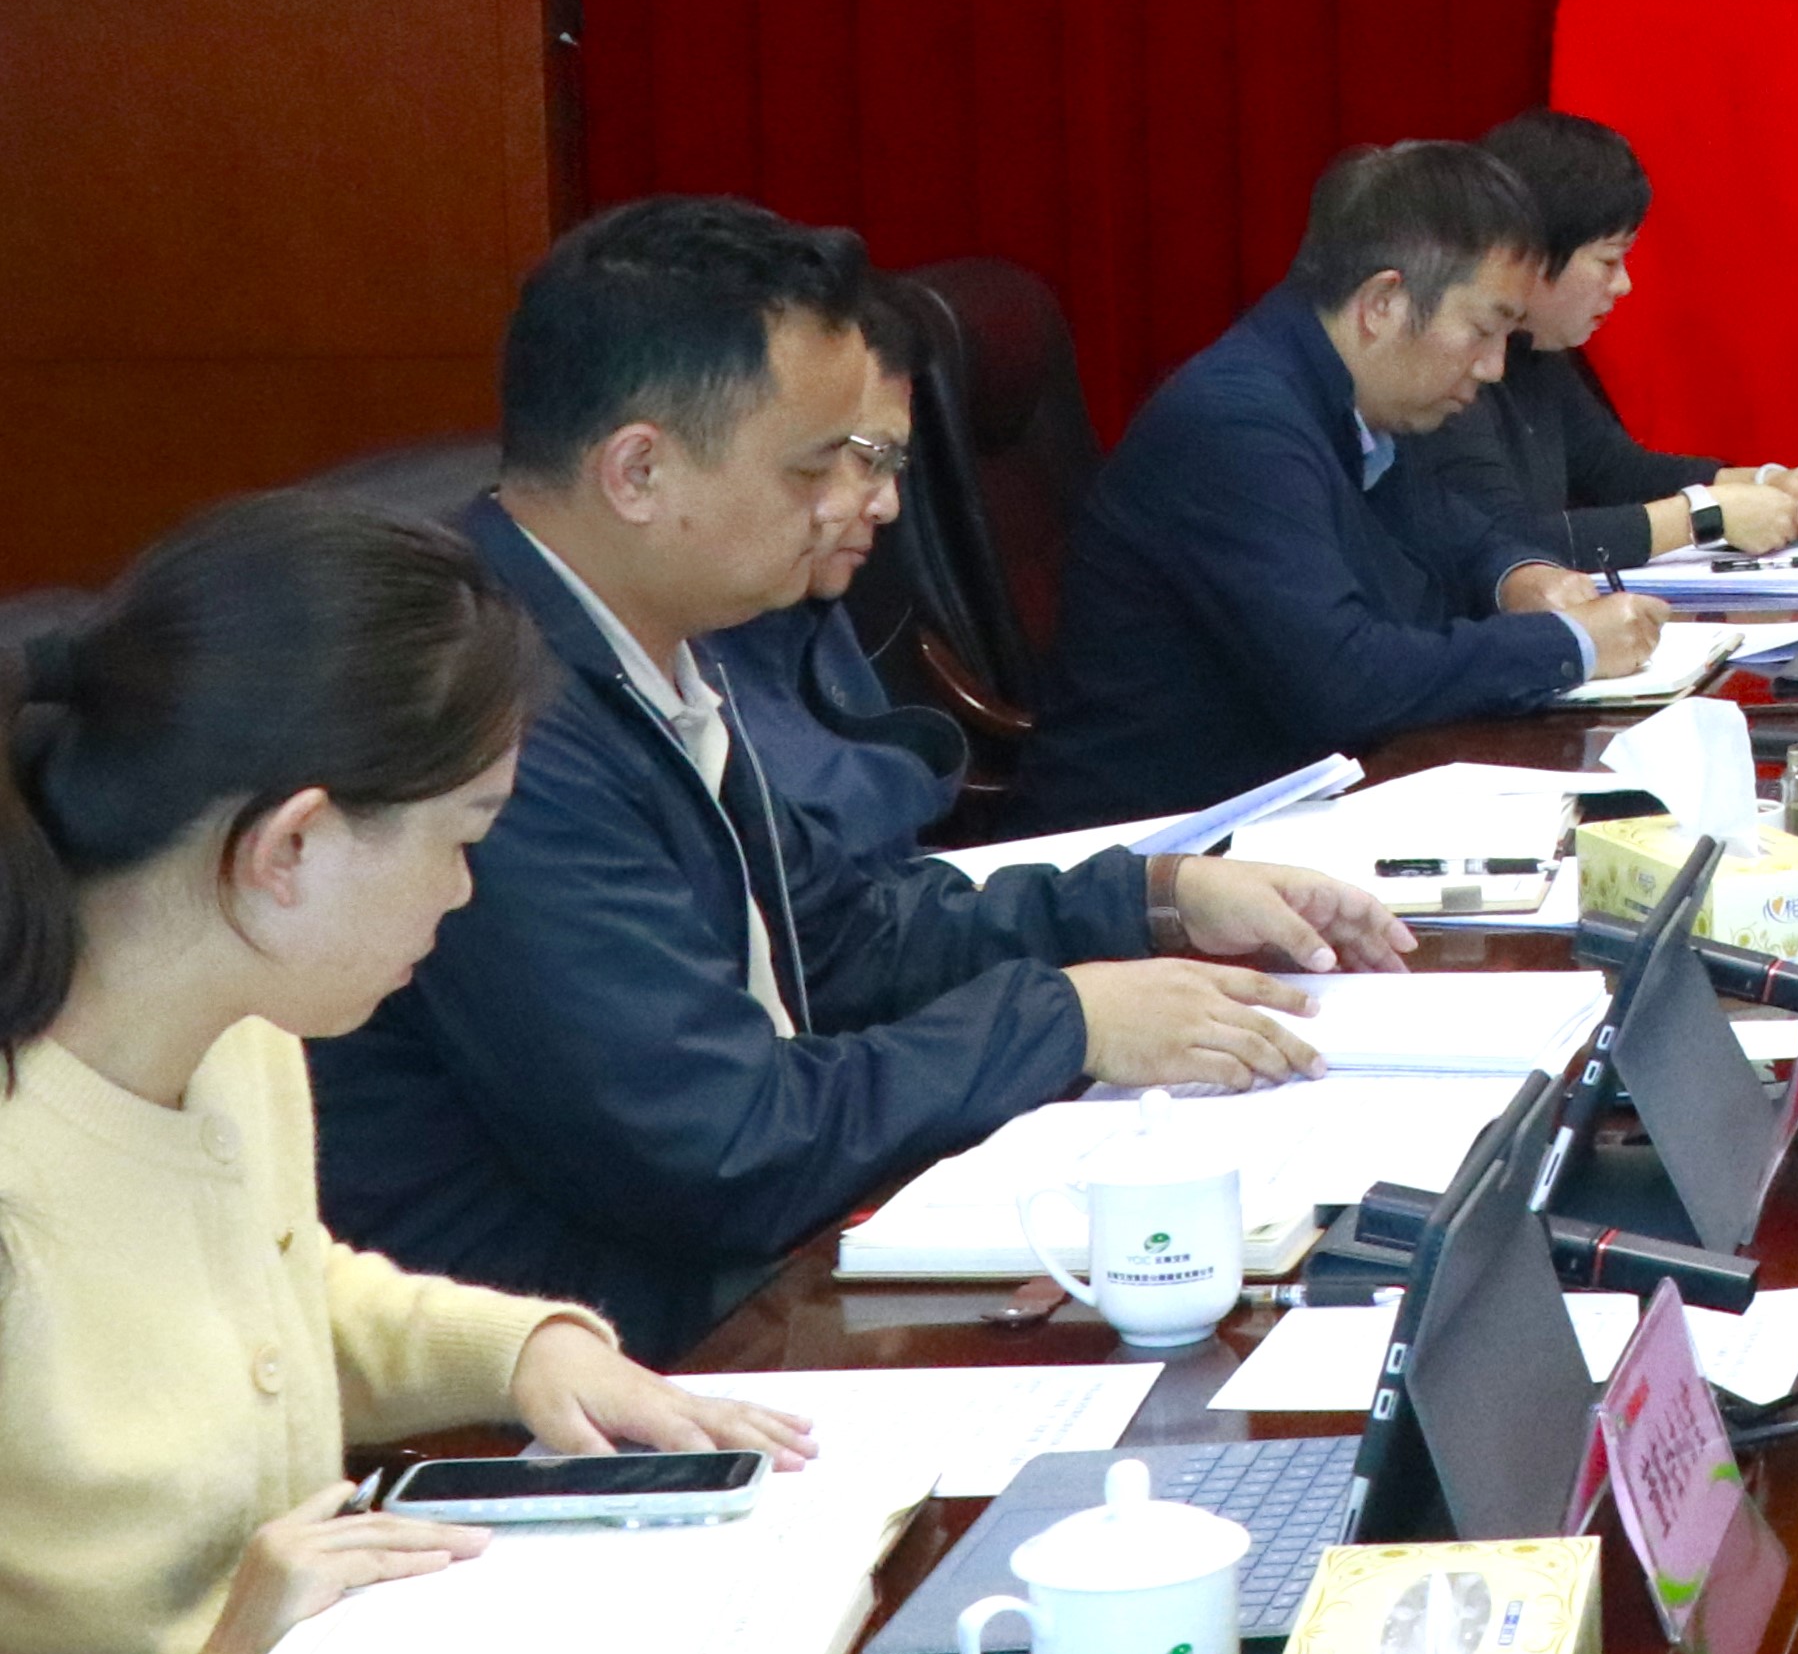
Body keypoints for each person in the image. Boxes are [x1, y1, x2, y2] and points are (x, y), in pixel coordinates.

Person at [311, 200, 1403, 1359]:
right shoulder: (498, 721)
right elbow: (717, 1148)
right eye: (816, 463)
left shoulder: (650, 633)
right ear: (638, 470)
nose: (865, 500)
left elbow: (834, 937)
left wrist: (1146, 901)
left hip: (728, 1273)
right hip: (602, 1354)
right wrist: (1065, 1018)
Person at [2, 495, 808, 1654]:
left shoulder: (239, 1032)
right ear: (292, 844)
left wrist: (517, 1348)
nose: (466, 890)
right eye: (462, 838)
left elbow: (267, 1288)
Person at [1020, 143, 1674, 830]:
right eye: (1482, 330)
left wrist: (1522, 577)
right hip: (1158, 840)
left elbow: (1452, 529)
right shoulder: (1238, 424)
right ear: (1383, 303)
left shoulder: (1347, 392)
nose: (1493, 368)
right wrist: (1568, 645)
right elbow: (1344, 679)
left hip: (1285, 802)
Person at [1409, 110, 1798, 569]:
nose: (1623, 285)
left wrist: (1769, 483)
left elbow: (1616, 471)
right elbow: (1507, 542)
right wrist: (1703, 517)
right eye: (1608, 260)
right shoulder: (1447, 370)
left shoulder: (1537, 352)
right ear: (1529, 253)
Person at [705, 282, 961, 871]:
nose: (887, 506)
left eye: (894, 465)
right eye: (866, 457)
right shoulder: (692, 628)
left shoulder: (803, 593)